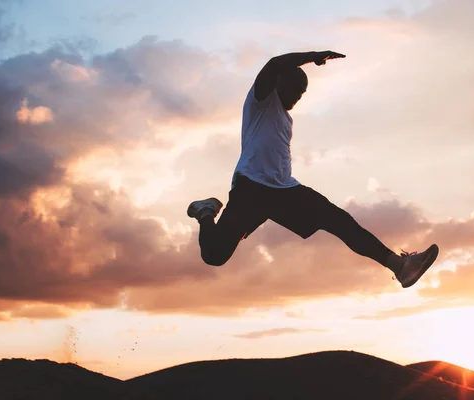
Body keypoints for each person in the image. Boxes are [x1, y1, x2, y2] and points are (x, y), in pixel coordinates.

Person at [187, 50, 438, 288]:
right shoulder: (261, 101)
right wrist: (313, 57)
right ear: (279, 82)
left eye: (303, 92)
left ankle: (400, 266)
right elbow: (274, 64)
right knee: (215, 255)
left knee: (340, 221)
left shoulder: (287, 120)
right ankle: (205, 211)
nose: (298, 96)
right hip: (251, 188)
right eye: (296, 89)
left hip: (284, 191)